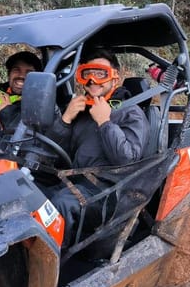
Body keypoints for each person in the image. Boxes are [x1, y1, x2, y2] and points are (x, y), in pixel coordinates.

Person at [47, 49, 149, 247]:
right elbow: (54, 155)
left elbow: (127, 160)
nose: (92, 80)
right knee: (31, 194)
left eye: (100, 73)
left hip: (109, 193)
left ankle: (54, 267)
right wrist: (65, 119)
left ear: (115, 78)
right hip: (73, 183)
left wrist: (105, 122)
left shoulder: (131, 113)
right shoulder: (81, 111)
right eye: (87, 73)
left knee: (60, 204)